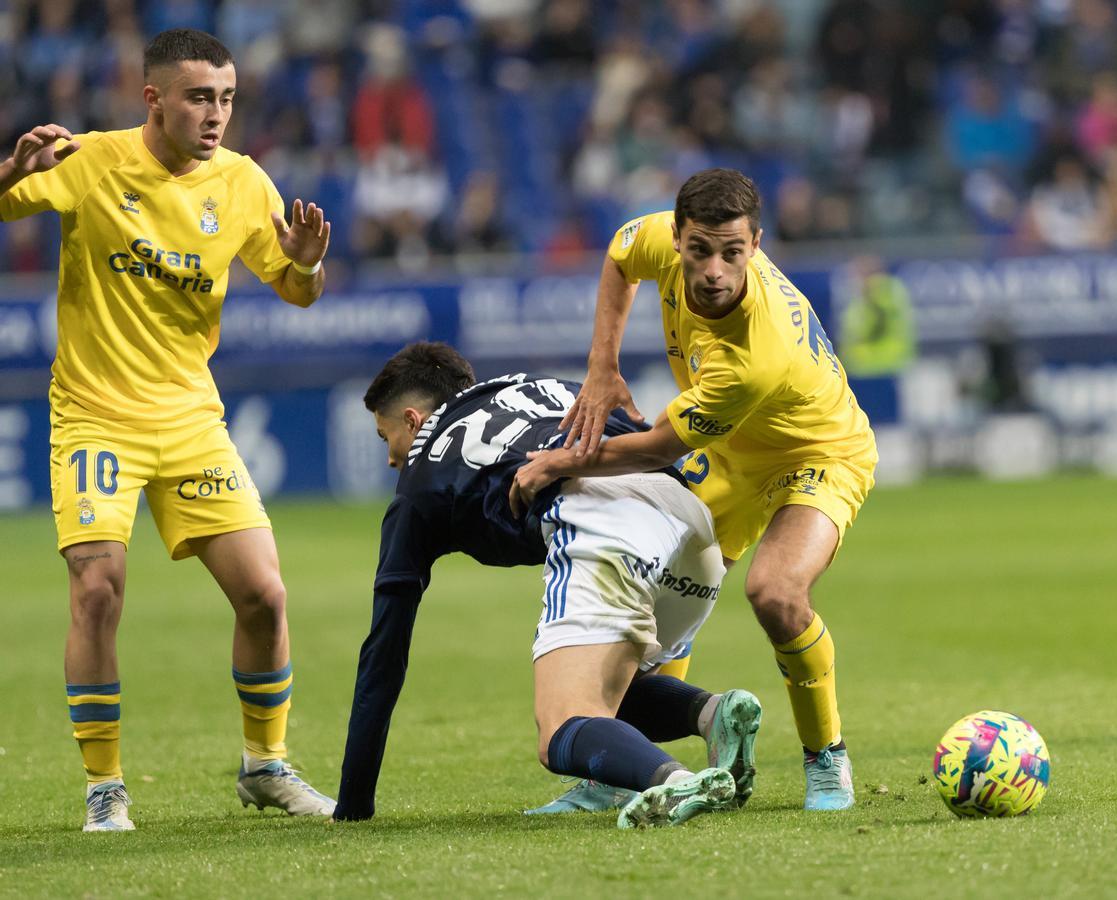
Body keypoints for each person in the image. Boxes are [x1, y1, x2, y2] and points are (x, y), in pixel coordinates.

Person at [0, 29, 335, 831]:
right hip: (95, 415)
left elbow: (297, 291)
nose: (216, 114)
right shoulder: (88, 160)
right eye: (199, 98)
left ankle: (266, 765)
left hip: (190, 419)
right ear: (153, 98)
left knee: (264, 595)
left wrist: (307, 263)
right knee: (97, 590)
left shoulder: (243, 181)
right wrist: (11, 172)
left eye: (226, 98)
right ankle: (105, 787)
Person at [511, 168, 877, 811]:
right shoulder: (657, 238)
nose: (713, 270)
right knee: (649, 584)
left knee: (775, 592)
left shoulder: (755, 354)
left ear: (755, 245)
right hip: (732, 453)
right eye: (700, 250)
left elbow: (657, 449)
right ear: (677, 237)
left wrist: (558, 463)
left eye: (732, 253)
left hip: (819, 452)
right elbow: (619, 259)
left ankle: (827, 757)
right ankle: (618, 771)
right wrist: (602, 366)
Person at [332, 342, 763, 829]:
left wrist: (353, 805)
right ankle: (713, 714)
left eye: (385, 437)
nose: (392, 459)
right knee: (608, 690)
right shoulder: (541, 386)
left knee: (561, 728)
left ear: (413, 421)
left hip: (605, 523)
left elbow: (383, 656)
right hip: (691, 522)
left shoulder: (420, 479)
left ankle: (675, 781)